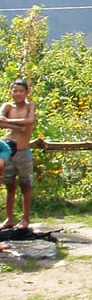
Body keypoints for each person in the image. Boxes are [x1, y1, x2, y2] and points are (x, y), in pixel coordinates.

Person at [1, 78, 37, 231]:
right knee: (9, 185)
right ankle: (9, 218)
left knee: (26, 185)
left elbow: (30, 121)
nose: (17, 94)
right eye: (15, 90)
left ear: (27, 92)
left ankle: (25, 219)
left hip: (24, 151)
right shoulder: (7, 106)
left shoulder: (30, 106)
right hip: (8, 151)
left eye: (21, 91)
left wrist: (9, 121)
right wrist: (14, 124)